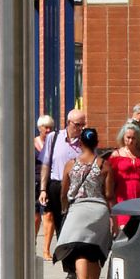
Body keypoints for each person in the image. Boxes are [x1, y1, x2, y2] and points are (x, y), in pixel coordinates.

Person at [55, 128, 111, 279]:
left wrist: (65, 207)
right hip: (99, 211)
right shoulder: (104, 165)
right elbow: (109, 194)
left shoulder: (71, 165)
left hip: (78, 210)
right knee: (95, 254)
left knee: (79, 252)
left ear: (80, 143)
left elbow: (64, 192)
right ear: (97, 143)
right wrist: (113, 218)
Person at [39, 110, 86, 260]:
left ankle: (74, 260)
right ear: (68, 123)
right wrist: (43, 190)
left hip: (77, 188)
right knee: (60, 225)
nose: (80, 129)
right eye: (77, 125)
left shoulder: (85, 141)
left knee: (75, 225)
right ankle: (68, 262)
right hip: (56, 186)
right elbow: (46, 165)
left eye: (82, 125)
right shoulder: (54, 138)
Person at [107, 124, 140, 234]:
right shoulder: (116, 155)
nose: (131, 141)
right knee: (124, 229)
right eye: (128, 137)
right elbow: (110, 180)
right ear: (123, 137)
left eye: (133, 138)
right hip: (123, 196)